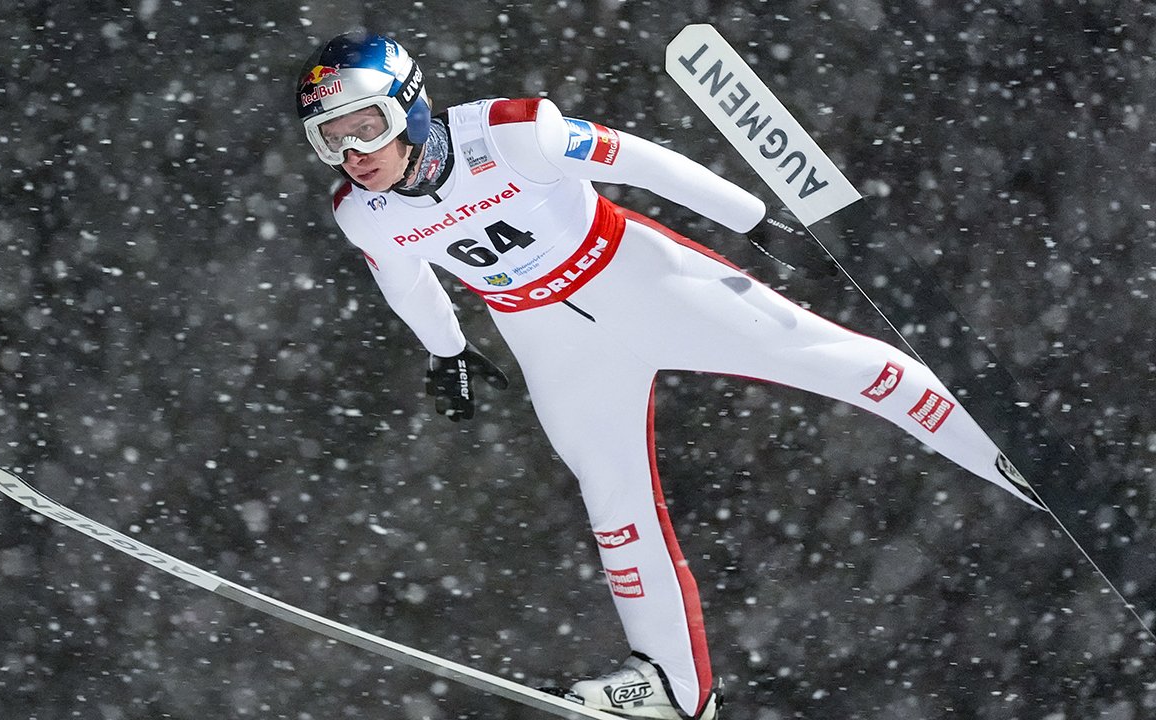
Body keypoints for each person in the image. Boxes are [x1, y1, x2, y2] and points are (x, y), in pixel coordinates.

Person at [294, 31, 1044, 720]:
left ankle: (1012, 456)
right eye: (331, 139)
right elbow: (406, 281)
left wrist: (755, 219)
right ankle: (674, 686)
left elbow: (642, 160)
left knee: (833, 362)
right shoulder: (363, 211)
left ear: (410, 104)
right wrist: (447, 349)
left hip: (643, 280)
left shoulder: (513, 131)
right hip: (551, 341)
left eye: (365, 124)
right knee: (614, 503)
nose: (355, 152)